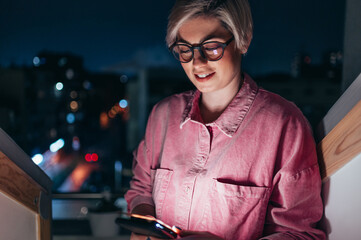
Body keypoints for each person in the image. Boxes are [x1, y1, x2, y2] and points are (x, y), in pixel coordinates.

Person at [125, 0, 326, 239]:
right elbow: (141, 188)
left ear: (243, 40)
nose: (197, 62)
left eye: (211, 47)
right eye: (185, 49)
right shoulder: (162, 115)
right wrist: (142, 215)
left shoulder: (285, 126)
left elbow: (300, 234)